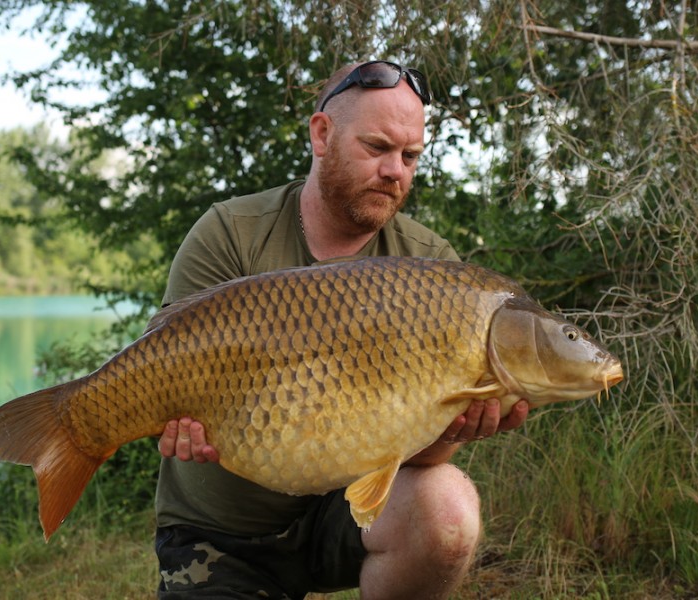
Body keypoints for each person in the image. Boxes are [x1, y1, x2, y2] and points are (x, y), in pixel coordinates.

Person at [153, 60, 530, 599]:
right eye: (377, 148)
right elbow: (162, 359)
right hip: (221, 531)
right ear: (322, 134)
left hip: (349, 514)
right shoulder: (230, 234)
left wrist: (449, 430)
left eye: (410, 156)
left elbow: (415, 453)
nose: (395, 171)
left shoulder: (434, 271)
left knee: (446, 508)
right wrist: (169, 419)